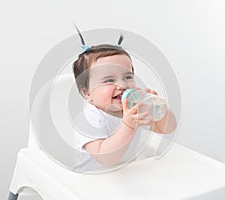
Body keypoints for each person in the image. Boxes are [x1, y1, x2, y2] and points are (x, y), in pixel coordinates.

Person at [72, 28, 176, 172]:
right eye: (109, 80)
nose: (122, 85)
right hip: (91, 181)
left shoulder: (133, 108)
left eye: (127, 77)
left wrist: (158, 108)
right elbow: (106, 158)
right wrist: (128, 125)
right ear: (87, 93)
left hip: (125, 175)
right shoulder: (89, 118)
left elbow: (167, 128)